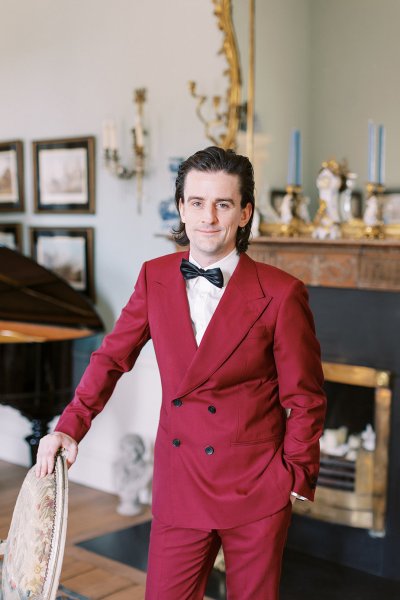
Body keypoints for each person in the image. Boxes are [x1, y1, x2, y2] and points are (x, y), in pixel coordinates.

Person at [36, 146, 326, 600]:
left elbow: (305, 396)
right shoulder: (154, 277)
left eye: (223, 204)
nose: (208, 217)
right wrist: (70, 427)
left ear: (245, 213)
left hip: (256, 487)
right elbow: (111, 358)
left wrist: (294, 478)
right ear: (181, 208)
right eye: (197, 202)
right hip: (180, 481)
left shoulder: (282, 293)